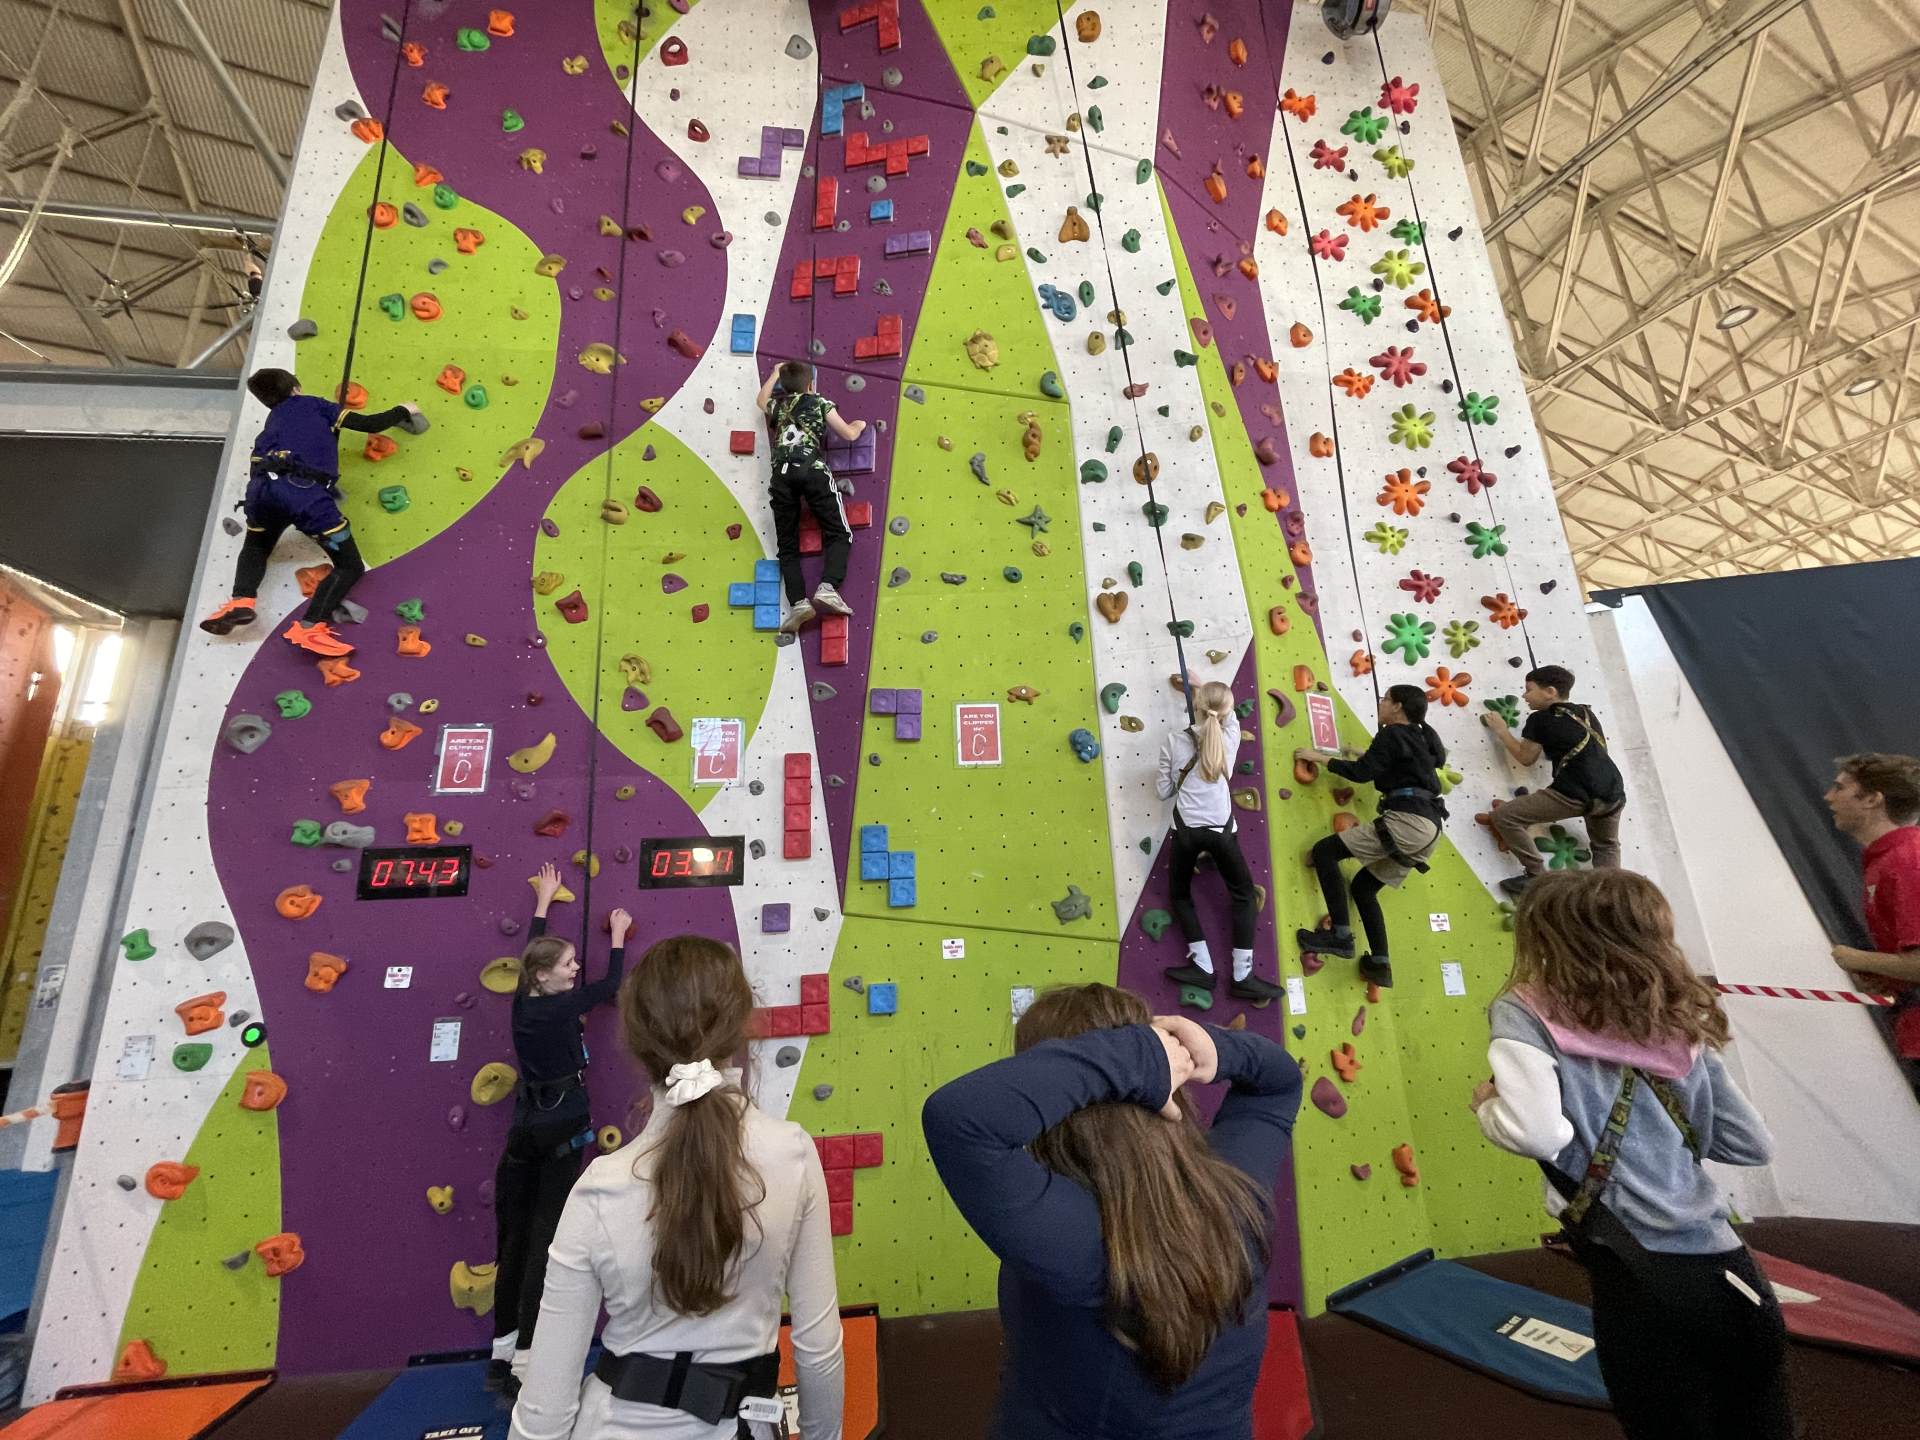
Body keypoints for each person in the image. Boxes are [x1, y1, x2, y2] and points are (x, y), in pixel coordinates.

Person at [1470, 869, 1789, 1440]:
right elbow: (1751, 1144)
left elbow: (1536, 1134)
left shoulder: (1526, 1013)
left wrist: (1489, 1109)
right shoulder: (1677, 1019)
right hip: (1731, 1275)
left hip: (1641, 1283)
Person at [922, 985, 1301, 1440]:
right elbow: (1279, 1081)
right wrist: (1213, 1046)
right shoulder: (1237, 1194)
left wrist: (1137, 1056)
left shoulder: (1077, 1240)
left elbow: (959, 1118)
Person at [510, 933, 844, 1440]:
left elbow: (545, 1408)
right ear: (740, 1027)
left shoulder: (600, 1187)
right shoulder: (792, 1154)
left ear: (636, 1042)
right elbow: (818, 1347)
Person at [492, 863, 631, 1394]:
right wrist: (618, 937)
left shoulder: (524, 1001)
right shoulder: (561, 1007)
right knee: (544, 1240)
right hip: (561, 1123)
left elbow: (532, 951)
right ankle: (527, 1359)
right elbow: (611, 985)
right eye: (569, 964)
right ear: (545, 977)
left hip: (525, 1129)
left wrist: (543, 902)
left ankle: (502, 1349)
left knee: (514, 1237)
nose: (575, 970)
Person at [199, 367, 420, 656]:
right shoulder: (312, 404)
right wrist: (405, 409)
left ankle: (241, 600)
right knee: (349, 565)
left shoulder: (272, 422)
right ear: (296, 389)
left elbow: (259, 466)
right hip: (303, 492)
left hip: (260, 491)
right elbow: (369, 424)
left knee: (257, 545)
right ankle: (310, 627)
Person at [1294, 684, 1448, 989]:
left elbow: (1362, 774)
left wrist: (1318, 757)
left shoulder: (1392, 733)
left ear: (1398, 706)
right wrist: (1365, 754)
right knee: (1364, 888)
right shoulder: (1420, 736)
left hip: (1407, 821)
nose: (1381, 704)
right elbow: (1403, 768)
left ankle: (1340, 936)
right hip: (1429, 829)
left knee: (1325, 852)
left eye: (1385, 699)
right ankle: (1379, 964)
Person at [1157, 681, 1280, 1004]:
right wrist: (1204, 689)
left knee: (1180, 894)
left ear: (1196, 705)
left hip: (1185, 832)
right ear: (1226, 712)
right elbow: (1229, 716)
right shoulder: (1230, 737)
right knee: (1244, 896)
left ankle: (1203, 966)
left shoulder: (1173, 741)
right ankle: (1242, 975)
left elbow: (1163, 791)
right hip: (1223, 833)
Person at [1481, 665, 1626, 895]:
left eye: (1529, 689)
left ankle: (1536, 876)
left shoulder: (1540, 719)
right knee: (1606, 846)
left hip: (1574, 791)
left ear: (1550, 691)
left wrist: (1502, 730)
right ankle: (1610, 895)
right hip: (1613, 792)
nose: (1524, 696)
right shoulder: (1587, 714)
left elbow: (1526, 757)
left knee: (1505, 816)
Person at [756, 361, 865, 634]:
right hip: (811, 470)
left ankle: (798, 603)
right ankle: (828, 586)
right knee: (839, 532)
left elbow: (761, 400)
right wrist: (859, 424)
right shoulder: (819, 402)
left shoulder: (779, 406)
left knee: (787, 546)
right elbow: (848, 433)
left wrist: (774, 373)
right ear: (810, 385)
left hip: (781, 476)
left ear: (784, 386)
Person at [1825, 752, 1920, 1061]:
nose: (1828, 797)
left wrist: (1857, 959)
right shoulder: (1889, 859)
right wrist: (1885, 973)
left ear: (1872, 800)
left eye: (1840, 788)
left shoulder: (1906, 861)